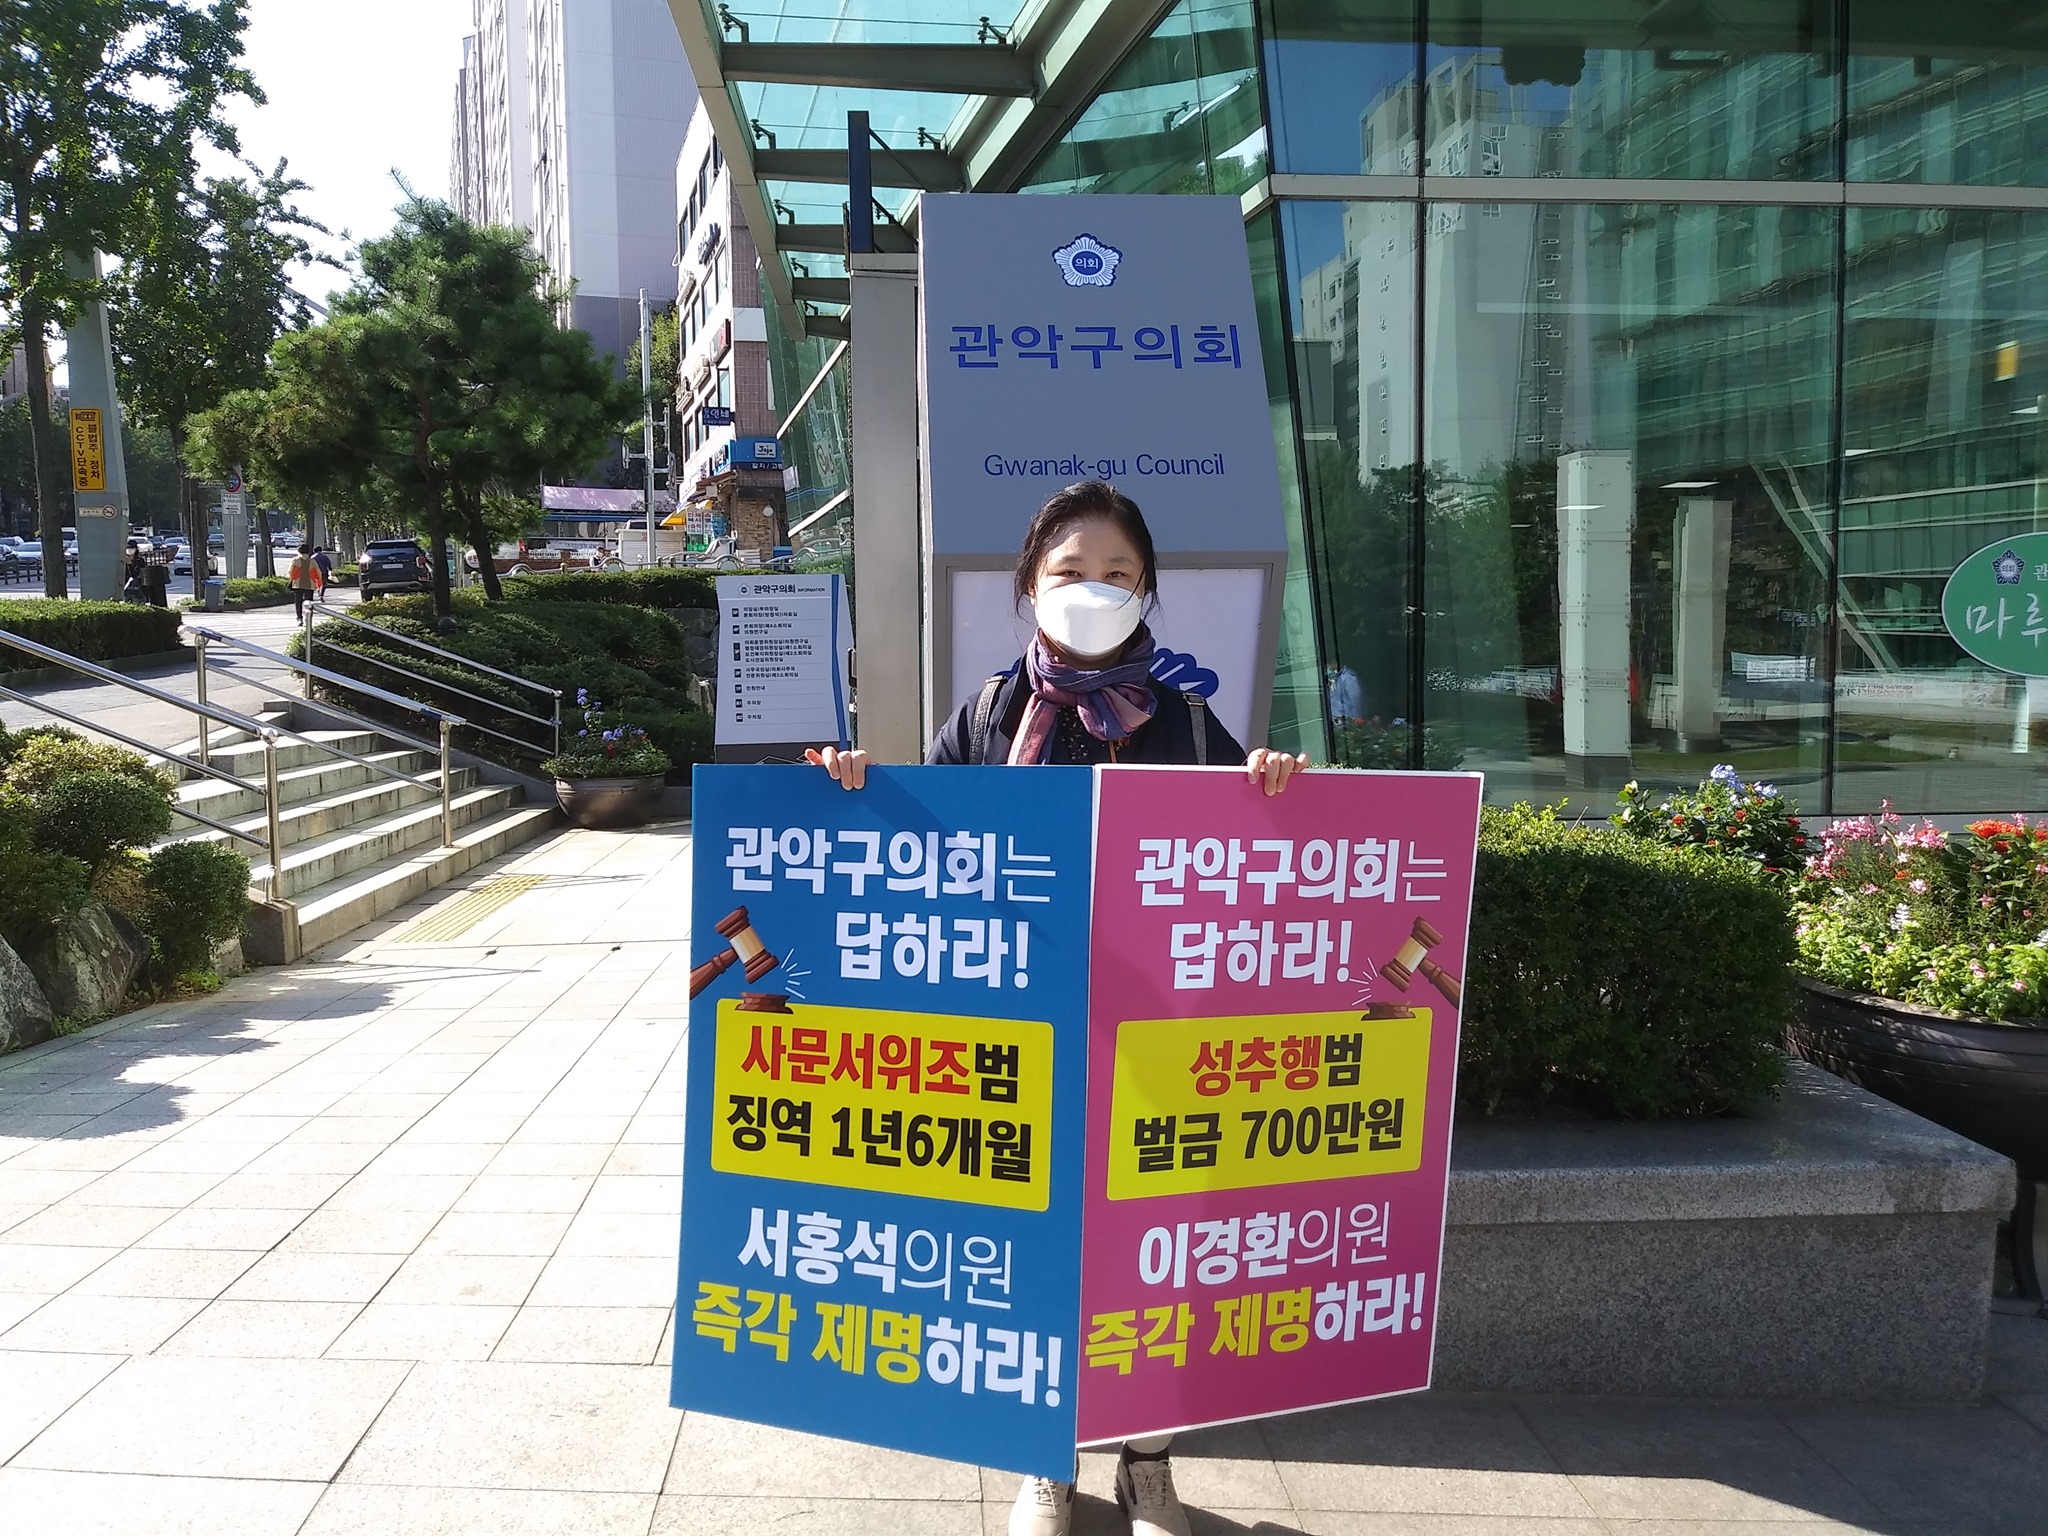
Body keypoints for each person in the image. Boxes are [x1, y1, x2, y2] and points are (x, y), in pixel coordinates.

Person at [807, 480, 1310, 1536]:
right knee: (1030, 1256)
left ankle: (1145, 1463)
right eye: (1071, 570)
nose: (1094, 589)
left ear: (1147, 589)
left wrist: (1269, 782)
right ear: (1030, 586)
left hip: (1155, 1043)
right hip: (1024, 1042)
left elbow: (1250, 858)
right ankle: (1043, 1460)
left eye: (1118, 573)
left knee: (1150, 1256)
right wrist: (854, 790)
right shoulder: (989, 717)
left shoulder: (1184, 720)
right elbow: (920, 851)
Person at [286, 541, 324, 620]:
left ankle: (299, 618)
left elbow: (290, 572)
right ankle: (308, 618)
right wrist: (318, 581)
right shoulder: (312, 561)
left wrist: (292, 578)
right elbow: (318, 573)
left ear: (299, 551)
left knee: (298, 602)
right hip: (310, 584)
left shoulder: (295, 560)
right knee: (309, 603)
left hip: (297, 584)